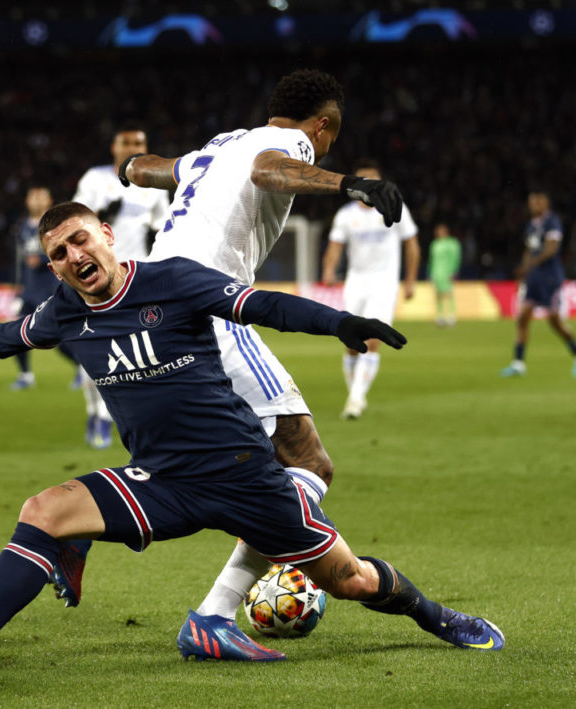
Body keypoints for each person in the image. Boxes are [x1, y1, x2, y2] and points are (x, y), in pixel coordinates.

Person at [0, 202, 504, 677]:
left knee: (353, 582)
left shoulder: (172, 280)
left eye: (79, 240)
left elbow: (265, 306)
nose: (72, 257)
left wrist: (341, 322)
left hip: (245, 477)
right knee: (43, 510)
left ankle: (437, 617)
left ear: (106, 237)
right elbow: (3, 337)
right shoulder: (65, 309)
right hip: (162, 480)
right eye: (58, 254)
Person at [90, 69, 408, 659]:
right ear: (324, 124)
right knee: (308, 461)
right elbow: (271, 171)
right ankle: (214, 613)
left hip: (151, 305)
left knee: (198, 464)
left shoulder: (222, 143)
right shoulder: (291, 146)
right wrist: (348, 184)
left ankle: (77, 533)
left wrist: (130, 169)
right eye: (329, 136)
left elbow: (160, 168)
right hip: (207, 306)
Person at [72, 123, 171, 449]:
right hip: (94, 276)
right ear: (114, 147)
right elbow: (71, 224)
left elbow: (163, 229)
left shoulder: (155, 183)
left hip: (135, 278)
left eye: (138, 141)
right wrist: (99, 214)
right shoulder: (95, 179)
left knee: (136, 353)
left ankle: (108, 416)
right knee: (96, 351)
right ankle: (95, 411)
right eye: (126, 142)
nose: (132, 146)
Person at [320, 160, 420, 420]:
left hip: (384, 283)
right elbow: (334, 247)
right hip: (356, 283)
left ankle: (355, 399)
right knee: (352, 343)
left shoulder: (395, 207)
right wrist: (329, 270)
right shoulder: (346, 215)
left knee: (373, 339)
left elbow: (411, 244)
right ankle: (356, 394)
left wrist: (410, 280)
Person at [501, 190, 576, 378]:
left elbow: (552, 249)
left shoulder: (552, 222)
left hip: (550, 277)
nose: (534, 206)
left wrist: (530, 265)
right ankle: (518, 363)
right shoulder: (531, 226)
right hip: (534, 278)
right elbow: (529, 250)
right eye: (531, 202)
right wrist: (523, 270)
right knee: (523, 317)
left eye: (538, 202)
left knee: (554, 322)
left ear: (546, 204)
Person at [9, 187, 54, 390]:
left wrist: (44, 259)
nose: (36, 201)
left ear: (49, 200)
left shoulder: (56, 224)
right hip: (28, 289)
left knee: (61, 338)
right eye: (33, 197)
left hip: (50, 288)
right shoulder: (22, 227)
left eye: (41, 197)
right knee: (17, 332)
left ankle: (81, 369)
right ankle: (26, 375)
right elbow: (19, 259)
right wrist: (17, 285)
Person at [428, 222, 462, 328]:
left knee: (448, 293)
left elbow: (456, 257)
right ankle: (440, 316)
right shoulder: (434, 244)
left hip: (447, 272)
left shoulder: (452, 243)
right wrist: (431, 273)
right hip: (437, 272)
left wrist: (454, 271)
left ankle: (451, 315)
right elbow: (431, 260)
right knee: (438, 294)